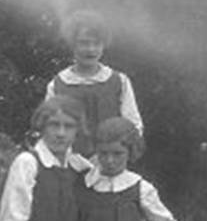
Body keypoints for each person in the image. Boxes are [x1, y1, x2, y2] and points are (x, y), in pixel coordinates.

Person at [45, 9, 143, 156]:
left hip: (110, 166)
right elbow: (50, 127)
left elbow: (133, 126)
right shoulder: (58, 85)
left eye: (96, 44)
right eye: (84, 43)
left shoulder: (119, 82)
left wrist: (114, 155)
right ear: (73, 45)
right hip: (70, 165)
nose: (91, 49)